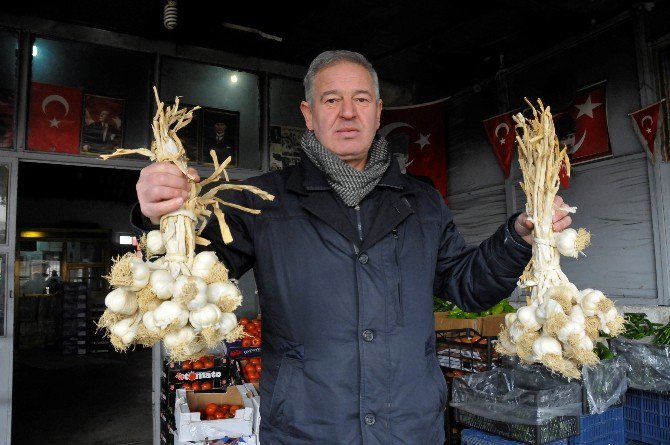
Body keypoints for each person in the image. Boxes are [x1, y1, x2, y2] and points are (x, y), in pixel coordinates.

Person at [134, 50, 573, 444]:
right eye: (331, 100)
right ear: (308, 114)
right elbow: (188, 276)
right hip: (306, 428)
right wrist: (163, 216)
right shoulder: (260, 202)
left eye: (361, 99)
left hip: (410, 427)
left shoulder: (421, 201)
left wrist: (518, 238)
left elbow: (468, 287)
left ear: (379, 112)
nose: (348, 113)